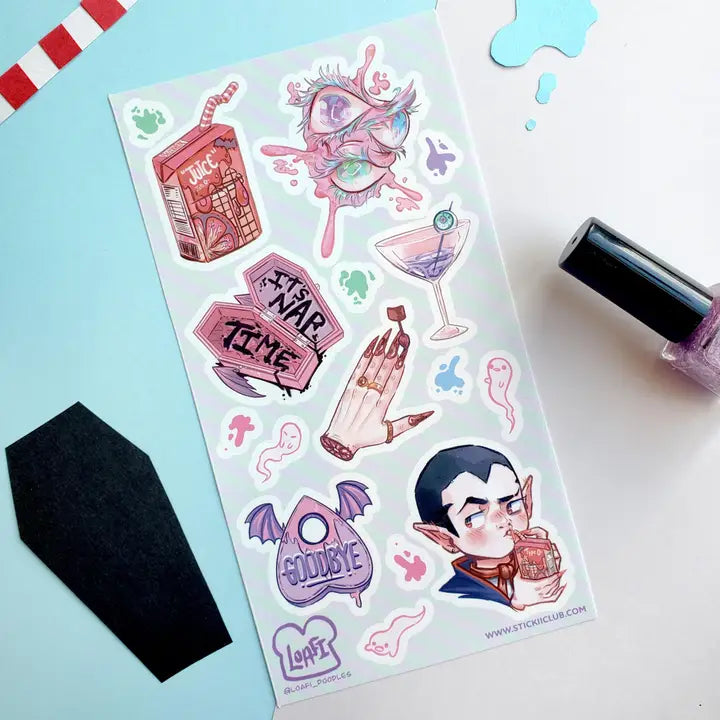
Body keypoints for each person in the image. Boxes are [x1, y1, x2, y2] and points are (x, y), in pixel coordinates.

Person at [413, 444, 565, 610]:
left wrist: (545, 565)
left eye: (513, 506)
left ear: (527, 502)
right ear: (444, 538)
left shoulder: (538, 558)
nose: (503, 520)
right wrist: (517, 603)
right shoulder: (453, 595)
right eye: (475, 518)